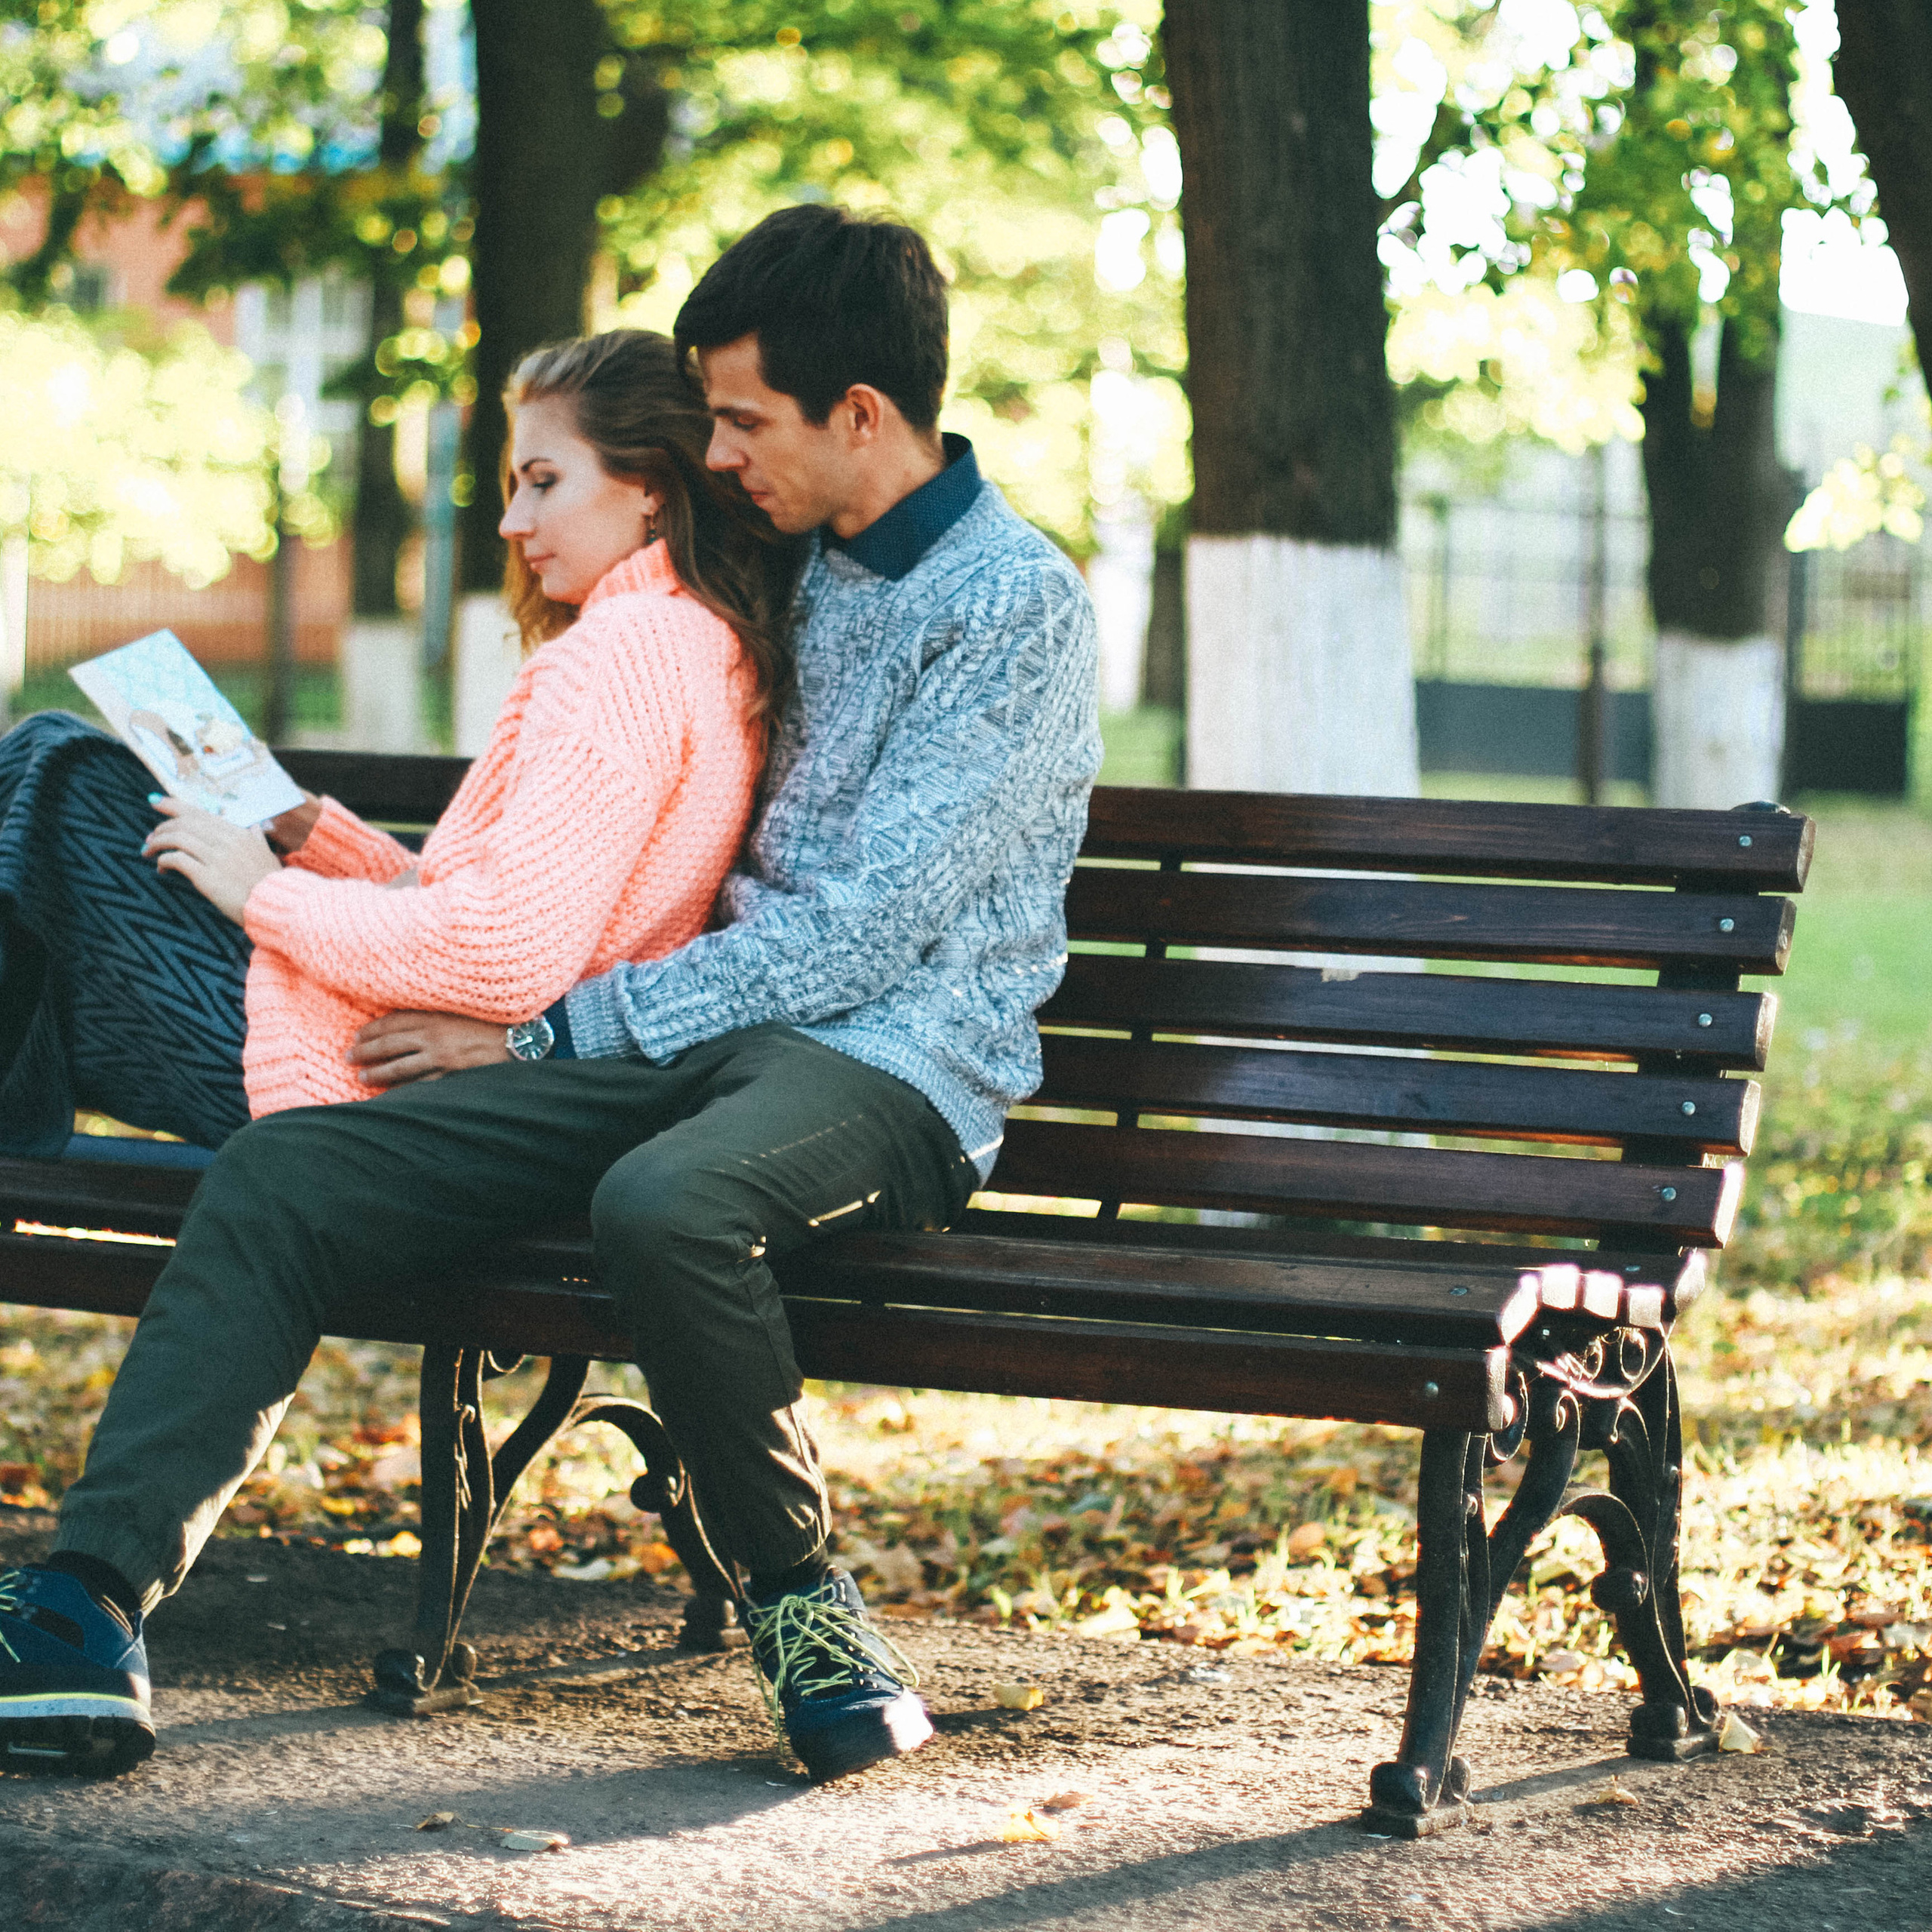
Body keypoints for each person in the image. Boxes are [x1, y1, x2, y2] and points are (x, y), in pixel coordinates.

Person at [0, 205, 1101, 1786]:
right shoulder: (786, 562)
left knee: (669, 1203)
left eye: (743, 421)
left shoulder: (1011, 604)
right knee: (285, 1171)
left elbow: (859, 936)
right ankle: (87, 1605)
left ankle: (803, 1603)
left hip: (893, 1062)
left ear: (860, 414)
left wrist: (538, 1026)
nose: (716, 455)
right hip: (690, 1031)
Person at [0, 328, 785, 1157]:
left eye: (544, 482)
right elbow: (493, 900)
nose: (513, 522)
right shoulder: (702, 641)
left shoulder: (626, 650)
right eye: (515, 486)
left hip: (361, 1076)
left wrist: (263, 893)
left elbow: (500, 949)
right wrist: (310, 831)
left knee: (57, 772)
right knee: (43, 802)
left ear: (651, 486)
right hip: (437, 1061)